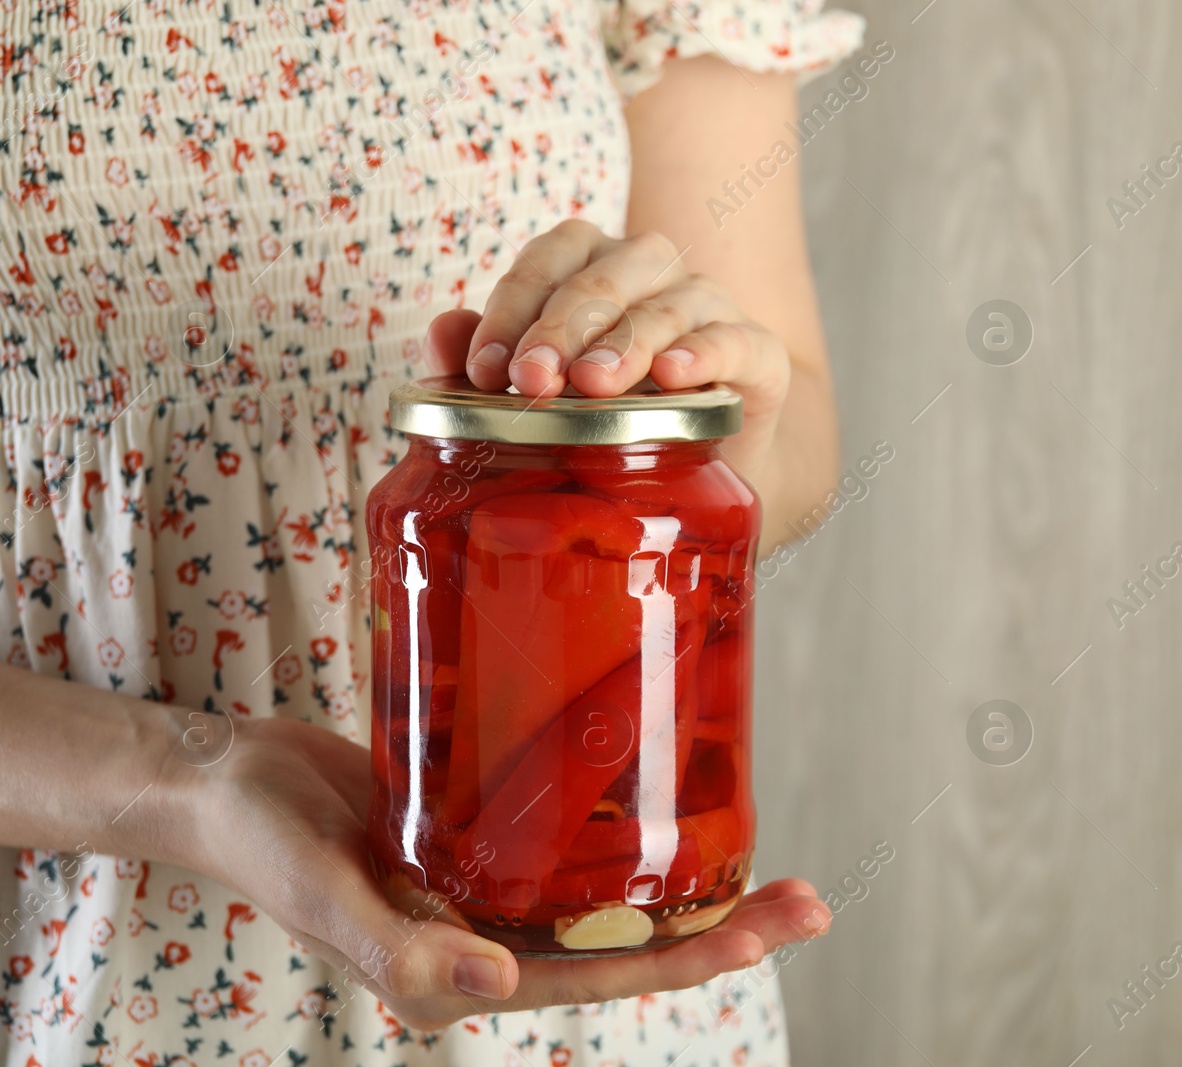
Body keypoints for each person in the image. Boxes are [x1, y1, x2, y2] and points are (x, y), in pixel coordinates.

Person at [0, 0, 862, 1062]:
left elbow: (796, 419)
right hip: (72, 928)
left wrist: (710, 449)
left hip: (583, 945)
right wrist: (180, 779)